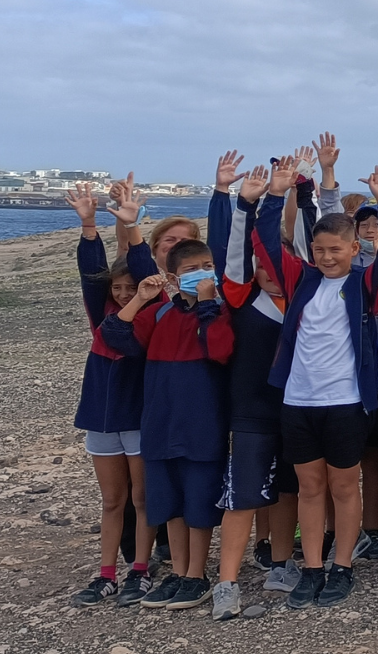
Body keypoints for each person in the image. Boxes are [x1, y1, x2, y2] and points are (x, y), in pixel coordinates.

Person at [256, 154, 378, 610]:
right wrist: (275, 194)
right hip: (298, 401)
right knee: (309, 488)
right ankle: (312, 567)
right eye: (319, 250)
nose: (326, 257)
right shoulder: (300, 280)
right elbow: (265, 244)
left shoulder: (363, 285)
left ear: (354, 249)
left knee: (343, 487)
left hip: (345, 402)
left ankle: (342, 566)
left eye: (335, 250)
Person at [100, 234, 234, 613]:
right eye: (191, 270)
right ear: (174, 278)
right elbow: (114, 335)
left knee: (198, 502)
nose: (202, 275)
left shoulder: (221, 312)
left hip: (202, 424)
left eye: (207, 267)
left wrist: (206, 305)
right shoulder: (160, 315)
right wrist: (141, 298)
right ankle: (178, 571)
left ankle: (197, 574)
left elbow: (220, 350)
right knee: (169, 503)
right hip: (160, 423)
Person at [209, 157, 301, 620]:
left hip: (297, 410)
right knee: (243, 495)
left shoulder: (304, 302)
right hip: (251, 412)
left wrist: (301, 191)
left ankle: (281, 566)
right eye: (260, 264)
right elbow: (234, 253)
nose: (267, 270)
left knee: (288, 491)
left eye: (274, 263)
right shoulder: (243, 297)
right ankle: (226, 582)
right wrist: (244, 203)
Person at [68, 181, 153, 608]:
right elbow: (91, 271)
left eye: (129, 289)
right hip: (101, 416)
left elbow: (143, 267)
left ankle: (141, 569)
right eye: (116, 289)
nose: (121, 294)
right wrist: (88, 225)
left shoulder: (147, 317)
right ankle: (106, 574)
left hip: (136, 415)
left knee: (142, 498)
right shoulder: (100, 312)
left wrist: (132, 228)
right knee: (112, 500)